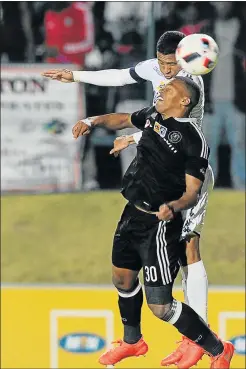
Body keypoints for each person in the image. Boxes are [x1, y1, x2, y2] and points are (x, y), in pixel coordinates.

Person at [42, 31, 214, 367]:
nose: (166, 72)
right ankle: (135, 339)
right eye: (162, 64)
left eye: (171, 65)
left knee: (190, 244)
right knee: (127, 264)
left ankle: (196, 338)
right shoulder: (156, 70)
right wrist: (75, 75)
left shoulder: (191, 81)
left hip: (184, 168)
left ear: (183, 58)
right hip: (154, 157)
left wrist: (136, 137)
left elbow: (181, 130)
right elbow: (120, 77)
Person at [72, 76, 234, 369]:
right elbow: (122, 118)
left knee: (160, 306)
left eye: (169, 89)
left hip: (159, 225)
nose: (161, 90)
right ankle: (133, 342)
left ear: (184, 101)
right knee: (121, 279)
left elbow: (192, 191)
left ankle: (218, 348)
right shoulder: (152, 116)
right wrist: (92, 120)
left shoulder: (193, 139)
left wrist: (174, 207)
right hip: (131, 214)